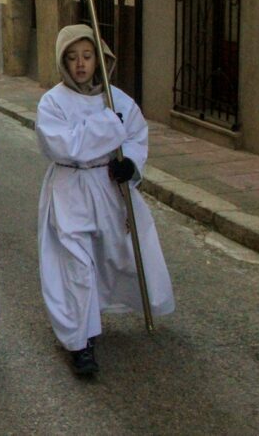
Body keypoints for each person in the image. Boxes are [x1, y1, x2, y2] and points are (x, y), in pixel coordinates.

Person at [35, 24, 175, 377]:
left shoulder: (118, 100)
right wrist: (108, 128)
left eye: (87, 55)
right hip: (70, 189)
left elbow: (136, 136)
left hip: (108, 187)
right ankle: (81, 342)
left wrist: (130, 163)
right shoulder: (53, 102)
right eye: (72, 57)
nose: (81, 64)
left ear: (100, 58)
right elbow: (64, 146)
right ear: (63, 61)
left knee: (116, 254)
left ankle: (104, 311)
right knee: (77, 265)